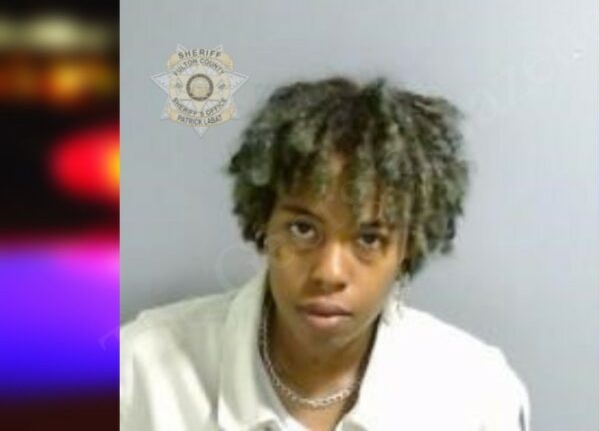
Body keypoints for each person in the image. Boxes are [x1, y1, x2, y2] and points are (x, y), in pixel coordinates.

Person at [120, 77, 530, 430]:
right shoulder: (138, 373)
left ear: (408, 247)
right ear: (263, 222)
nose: (329, 272)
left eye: (369, 238)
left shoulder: (478, 396)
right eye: (303, 229)